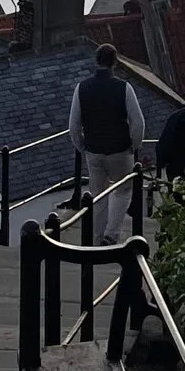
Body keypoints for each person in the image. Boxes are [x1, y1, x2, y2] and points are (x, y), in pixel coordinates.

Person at [69, 43, 148, 240]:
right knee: (123, 190)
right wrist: (134, 145)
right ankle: (111, 234)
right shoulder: (124, 88)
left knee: (98, 194)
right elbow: (138, 122)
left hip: (94, 150)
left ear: (96, 61)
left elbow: (74, 125)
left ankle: (97, 237)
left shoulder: (81, 88)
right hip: (120, 149)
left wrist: (82, 146)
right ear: (115, 63)